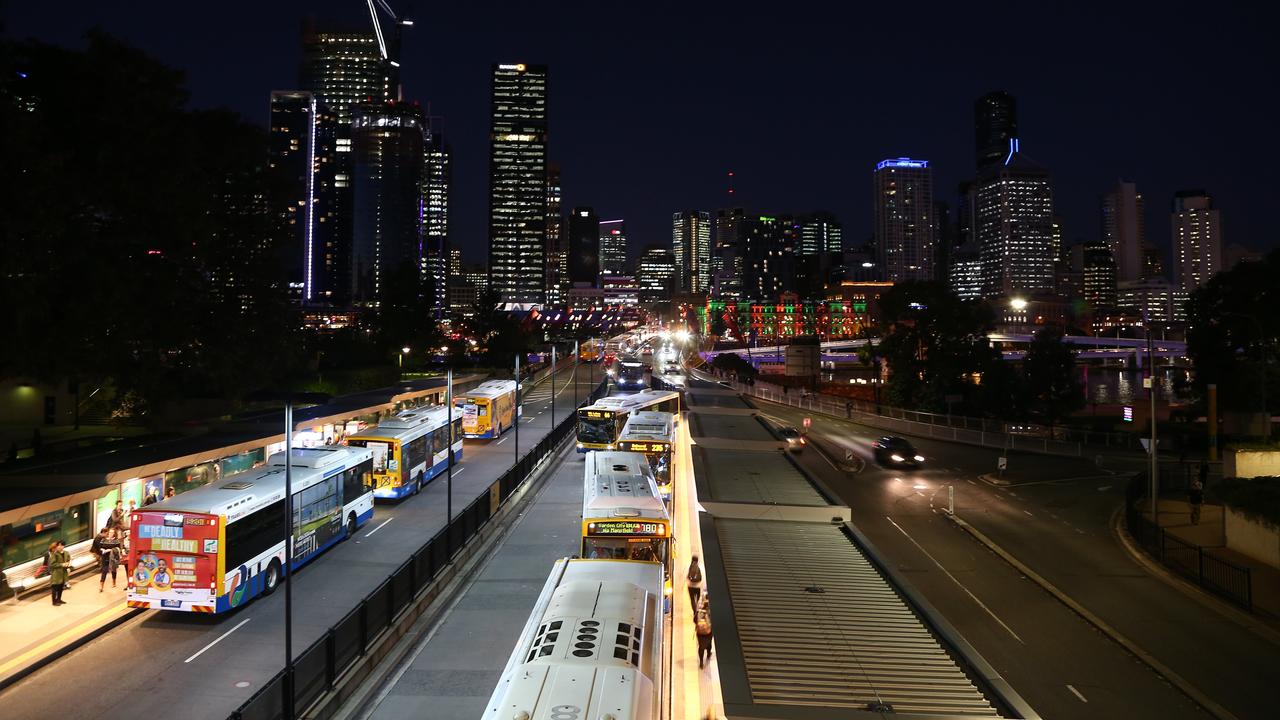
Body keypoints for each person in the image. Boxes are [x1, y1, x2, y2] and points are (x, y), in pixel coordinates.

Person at [48, 541, 71, 606]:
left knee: (61, 587)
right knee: (55, 587)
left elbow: (69, 560)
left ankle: (59, 599)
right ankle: (54, 601)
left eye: (62, 545)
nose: (60, 547)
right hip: (56, 573)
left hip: (64, 573)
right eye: (59, 545)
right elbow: (52, 564)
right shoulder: (54, 554)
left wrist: (69, 565)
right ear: (57, 546)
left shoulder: (66, 553)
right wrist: (61, 565)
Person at [696, 604, 714, 668]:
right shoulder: (710, 611)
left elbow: (694, 620)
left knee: (701, 647)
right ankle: (708, 654)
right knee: (709, 643)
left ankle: (701, 662)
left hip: (700, 634)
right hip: (708, 633)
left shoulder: (699, 611)